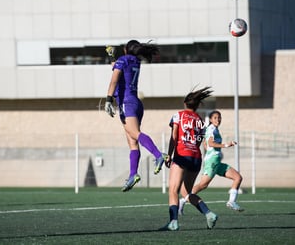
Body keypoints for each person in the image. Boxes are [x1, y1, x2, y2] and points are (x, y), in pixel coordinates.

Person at [104, 40, 167, 192]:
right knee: (132, 142)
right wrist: (112, 57)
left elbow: (114, 80)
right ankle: (133, 174)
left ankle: (158, 155)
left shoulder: (123, 60)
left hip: (127, 103)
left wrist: (108, 99)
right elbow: (118, 69)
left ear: (126, 49)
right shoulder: (135, 61)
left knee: (134, 134)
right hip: (135, 103)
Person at [162, 86, 217, 231]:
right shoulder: (200, 121)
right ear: (198, 105)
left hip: (181, 155)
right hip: (195, 157)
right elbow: (199, 141)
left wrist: (169, 154)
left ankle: (173, 222)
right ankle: (208, 213)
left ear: (185, 103)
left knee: (173, 190)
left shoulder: (178, 116)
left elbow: (174, 137)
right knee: (186, 193)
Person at [178, 110, 243, 213]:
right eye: (215, 118)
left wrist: (208, 148)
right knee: (203, 185)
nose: (218, 119)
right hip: (212, 161)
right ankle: (182, 200)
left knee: (237, 177)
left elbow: (205, 142)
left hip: (216, 161)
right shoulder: (212, 129)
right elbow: (211, 143)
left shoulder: (213, 129)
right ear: (211, 120)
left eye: (219, 117)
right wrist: (226, 145)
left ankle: (231, 202)